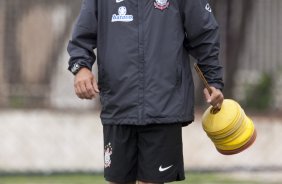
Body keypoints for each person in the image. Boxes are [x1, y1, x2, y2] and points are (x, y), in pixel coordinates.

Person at [67, 0, 224, 183]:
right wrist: (81, 68)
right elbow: (81, 37)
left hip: (164, 105)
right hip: (119, 104)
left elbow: (205, 34)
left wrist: (213, 80)